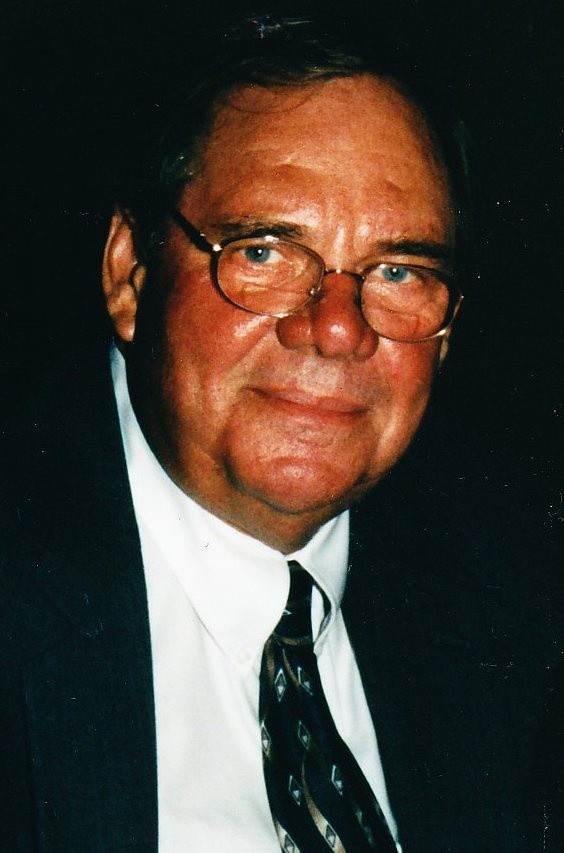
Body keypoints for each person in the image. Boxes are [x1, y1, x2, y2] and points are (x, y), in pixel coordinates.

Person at [1, 5, 561, 852]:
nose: (336, 328)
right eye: (263, 251)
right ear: (130, 273)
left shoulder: (521, 588)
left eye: (399, 270)